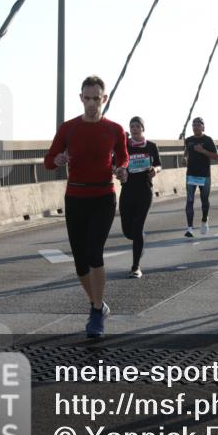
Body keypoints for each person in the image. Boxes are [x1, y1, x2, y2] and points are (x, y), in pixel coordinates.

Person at [44, 75, 128, 338]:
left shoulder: (115, 129)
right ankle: (99, 305)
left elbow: (123, 157)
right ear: (81, 98)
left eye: (96, 99)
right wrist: (57, 159)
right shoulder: (68, 128)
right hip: (76, 197)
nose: (92, 104)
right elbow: (48, 160)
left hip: (103, 197)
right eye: (87, 98)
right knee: (80, 262)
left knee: (94, 252)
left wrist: (122, 170)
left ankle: (94, 313)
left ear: (105, 99)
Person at [120, 117, 161, 278]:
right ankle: (139, 238)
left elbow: (158, 164)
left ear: (143, 128)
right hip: (127, 191)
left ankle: (135, 266)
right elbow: (115, 164)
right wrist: (119, 171)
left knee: (137, 227)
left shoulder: (151, 146)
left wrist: (155, 170)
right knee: (128, 231)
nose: (134, 129)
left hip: (144, 190)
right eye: (132, 126)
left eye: (137, 126)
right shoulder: (124, 146)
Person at [182, 117, 218, 236]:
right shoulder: (188, 140)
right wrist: (184, 158)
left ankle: (204, 220)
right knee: (190, 200)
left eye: (198, 125)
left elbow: (216, 156)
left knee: (204, 200)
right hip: (191, 174)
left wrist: (203, 151)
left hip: (204, 175)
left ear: (203, 127)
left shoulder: (208, 140)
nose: (195, 127)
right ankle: (189, 228)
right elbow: (186, 151)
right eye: (194, 125)